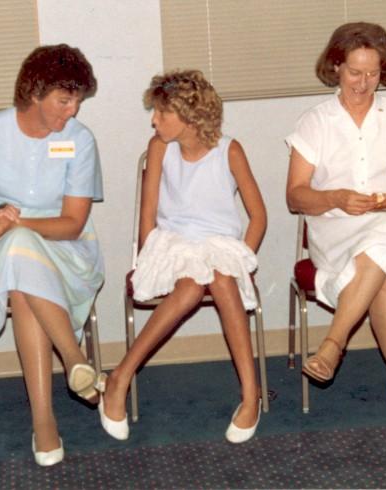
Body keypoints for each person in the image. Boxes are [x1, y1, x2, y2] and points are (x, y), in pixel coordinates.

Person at [0, 44, 104, 466]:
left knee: (21, 268)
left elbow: (72, 223)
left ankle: (43, 421)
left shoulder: (79, 140)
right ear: (34, 93)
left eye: (77, 101)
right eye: (64, 100)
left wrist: (20, 226)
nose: (73, 111)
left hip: (63, 248)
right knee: (17, 254)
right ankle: (74, 359)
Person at [98, 70, 267, 443]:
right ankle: (120, 377)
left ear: (190, 117)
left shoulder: (230, 150)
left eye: (162, 112)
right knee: (190, 287)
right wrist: (147, 257)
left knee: (223, 279)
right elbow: (148, 214)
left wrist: (243, 258)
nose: (154, 120)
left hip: (220, 244)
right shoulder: (160, 147)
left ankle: (250, 395)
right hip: (173, 243)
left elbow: (258, 216)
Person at [286, 22, 386, 427]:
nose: (364, 82)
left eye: (373, 73)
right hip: (337, 228)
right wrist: (335, 197)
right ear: (336, 66)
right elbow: (296, 195)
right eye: (355, 72)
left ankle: (333, 344)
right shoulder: (315, 121)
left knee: (385, 235)